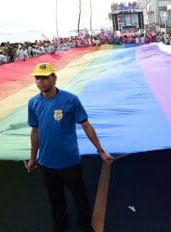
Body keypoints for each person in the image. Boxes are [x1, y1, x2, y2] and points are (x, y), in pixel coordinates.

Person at [27, 63, 114, 232]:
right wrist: (32, 158)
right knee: (55, 198)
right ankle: (60, 225)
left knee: (80, 197)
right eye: (37, 78)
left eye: (44, 77)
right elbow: (34, 131)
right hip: (46, 163)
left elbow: (86, 125)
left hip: (70, 162)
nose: (40, 81)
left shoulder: (70, 99)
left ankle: (84, 225)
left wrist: (101, 150)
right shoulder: (33, 103)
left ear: (54, 78)